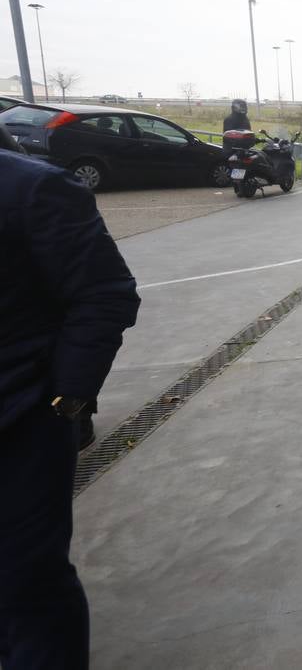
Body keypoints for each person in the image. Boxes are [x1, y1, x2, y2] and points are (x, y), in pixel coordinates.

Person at [0, 144, 141, 669]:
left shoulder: (31, 188)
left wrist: (67, 398)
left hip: (20, 422)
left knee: (24, 584)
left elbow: (105, 292)